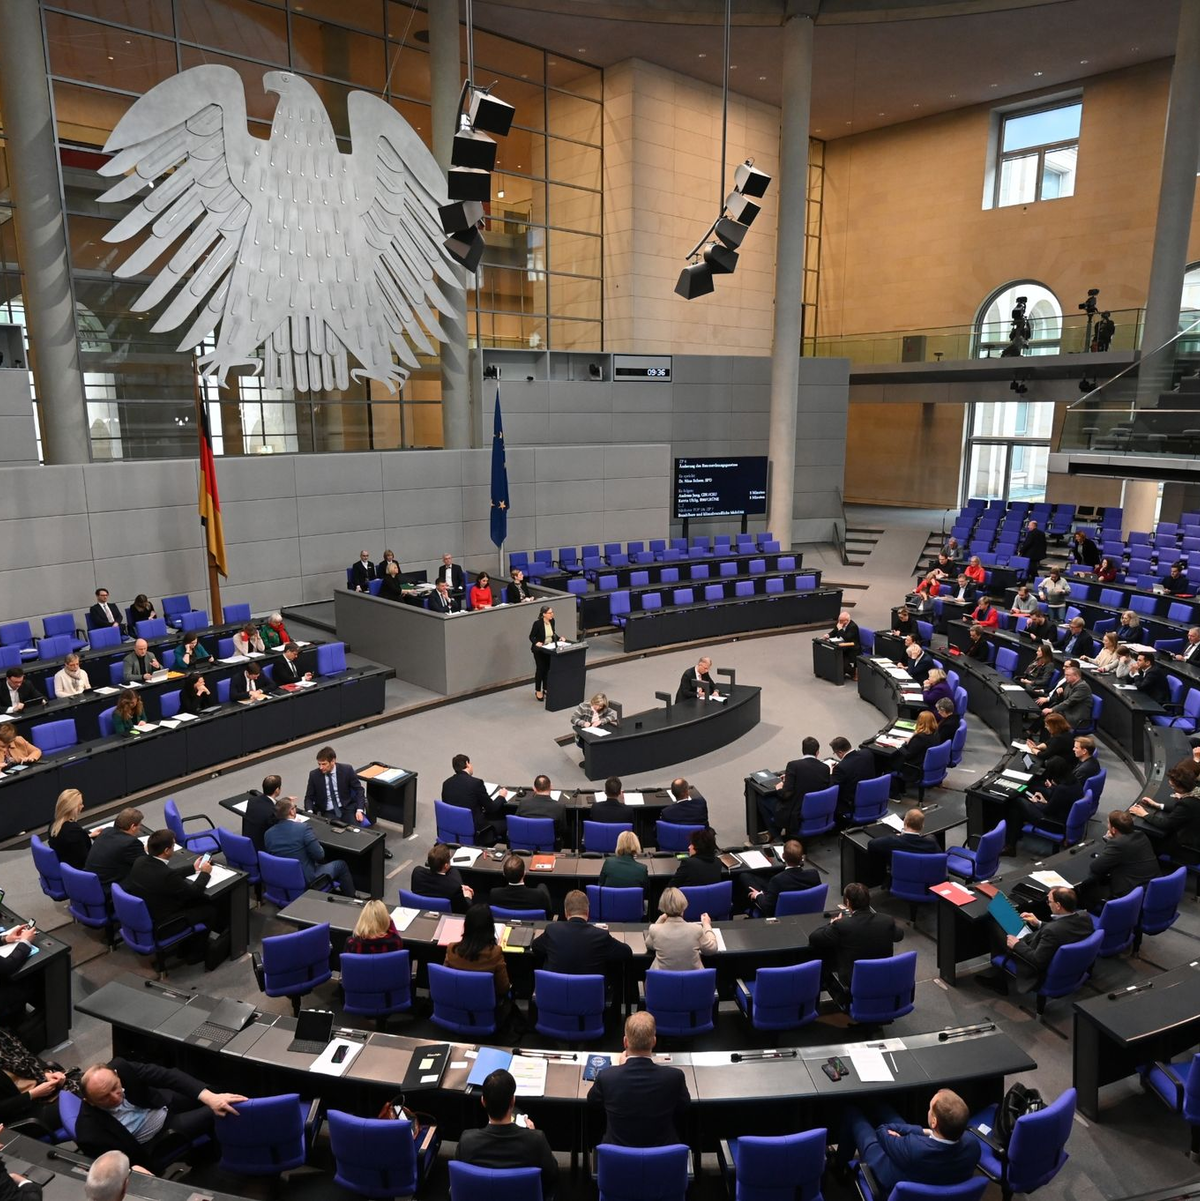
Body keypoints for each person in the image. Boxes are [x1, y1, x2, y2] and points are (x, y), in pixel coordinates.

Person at [75, 1059, 245, 1172]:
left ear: (116, 1074)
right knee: (223, 1108)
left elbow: (167, 1076)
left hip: (161, 1104)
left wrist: (210, 1097)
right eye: (105, 1097)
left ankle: (208, 1152)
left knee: (215, 1092)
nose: (115, 1097)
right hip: (159, 1137)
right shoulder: (88, 1132)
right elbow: (115, 1169)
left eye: (115, 1087)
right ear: (89, 1101)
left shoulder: (122, 1067)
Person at [834, 1089, 980, 1192]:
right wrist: (927, 1132)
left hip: (885, 1171)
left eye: (930, 1109)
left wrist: (908, 1136)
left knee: (852, 1114)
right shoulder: (973, 1146)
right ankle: (871, 1102)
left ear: (934, 1122)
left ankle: (838, 1169)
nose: (928, 1111)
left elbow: (882, 1131)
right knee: (882, 1108)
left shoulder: (913, 1147)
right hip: (924, 1174)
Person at [588, 1012, 690, 1148]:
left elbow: (593, 1102)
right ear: (654, 1041)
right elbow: (684, 1105)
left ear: (625, 1042)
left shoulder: (606, 1077)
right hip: (662, 1157)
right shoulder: (674, 1077)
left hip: (617, 1158)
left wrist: (620, 1069)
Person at [454, 1068, 558, 1190]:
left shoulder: (467, 1141)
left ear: (483, 1102)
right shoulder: (535, 1140)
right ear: (513, 1101)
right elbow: (552, 1175)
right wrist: (532, 1133)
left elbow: (459, 1179)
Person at [980, 886, 1095, 995]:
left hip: (1033, 962)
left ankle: (999, 981)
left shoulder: (1052, 931)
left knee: (993, 923)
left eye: (1049, 901)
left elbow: (1037, 960)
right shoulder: (1084, 916)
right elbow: (1064, 928)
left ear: (1058, 905)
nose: (1048, 904)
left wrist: (1016, 945)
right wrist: (1038, 923)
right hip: (1063, 959)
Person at [123, 830, 218, 960]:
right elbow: (193, 892)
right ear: (167, 850)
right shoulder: (166, 875)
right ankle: (195, 954)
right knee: (209, 910)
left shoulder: (141, 861)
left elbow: (167, 873)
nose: (174, 848)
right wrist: (205, 873)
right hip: (166, 922)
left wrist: (193, 868)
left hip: (149, 911)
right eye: (173, 845)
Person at [1005, 735, 1100, 851]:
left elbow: (1047, 810)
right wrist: (1044, 800)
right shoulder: (1073, 781)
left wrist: (1037, 802)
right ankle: (1011, 843)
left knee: (1017, 801)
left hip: (1054, 823)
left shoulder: (1062, 789)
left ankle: (1011, 844)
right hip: (1061, 815)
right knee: (1018, 807)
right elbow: (1055, 802)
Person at [807, 882, 903, 990]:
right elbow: (899, 935)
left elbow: (814, 938)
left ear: (848, 902)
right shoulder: (887, 920)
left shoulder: (842, 925)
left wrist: (832, 923)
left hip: (854, 981)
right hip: (882, 976)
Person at [263, 796, 355, 895]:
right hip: (306, 879)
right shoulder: (303, 828)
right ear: (292, 812)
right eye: (295, 807)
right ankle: (353, 900)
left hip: (280, 878)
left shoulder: (268, 833)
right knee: (341, 865)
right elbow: (319, 855)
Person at [531, 889, 631, 974]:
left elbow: (535, 946)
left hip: (554, 994)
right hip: (590, 995)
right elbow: (626, 952)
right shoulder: (601, 935)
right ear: (588, 912)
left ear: (566, 912)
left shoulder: (552, 930)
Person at [1131, 764, 1200, 864]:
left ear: (1181, 788)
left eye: (1172, 786)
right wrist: (1157, 805)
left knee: (1144, 838)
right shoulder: (1196, 791)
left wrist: (1144, 814)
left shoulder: (1188, 803)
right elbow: (1181, 810)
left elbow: (1165, 824)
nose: (1171, 787)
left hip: (1189, 846)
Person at [1086, 810, 1159, 903]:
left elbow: (1096, 866)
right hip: (1152, 884)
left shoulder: (1118, 844)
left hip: (1132, 890)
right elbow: (1125, 851)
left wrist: (1110, 840)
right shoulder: (1141, 834)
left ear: (1113, 830)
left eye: (1108, 824)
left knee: (1093, 877)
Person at [444, 903, 510, 1001]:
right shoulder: (495, 952)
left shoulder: (452, 949)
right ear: (490, 927)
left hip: (456, 1003)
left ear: (466, 926)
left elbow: (445, 981)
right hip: (484, 1006)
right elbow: (503, 988)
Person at [645, 886, 717, 970]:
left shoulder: (655, 930)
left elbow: (649, 944)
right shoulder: (696, 929)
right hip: (693, 981)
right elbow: (712, 949)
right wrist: (707, 925)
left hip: (664, 981)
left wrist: (660, 921)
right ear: (684, 906)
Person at [442, 754, 508, 843]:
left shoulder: (446, 783)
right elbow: (492, 808)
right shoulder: (476, 783)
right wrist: (501, 796)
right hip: (476, 829)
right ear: (467, 764)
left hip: (453, 825)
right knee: (507, 822)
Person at [743, 839, 819, 915]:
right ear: (802, 857)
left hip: (780, 916)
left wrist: (758, 895)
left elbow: (767, 907)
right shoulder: (814, 874)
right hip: (807, 911)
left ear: (783, 856)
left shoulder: (777, 880)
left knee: (745, 876)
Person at [773, 736, 830, 837]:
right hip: (818, 809)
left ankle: (775, 837)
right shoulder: (825, 768)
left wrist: (779, 788)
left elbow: (786, 794)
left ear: (803, 750)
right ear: (817, 752)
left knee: (766, 802)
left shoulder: (793, 765)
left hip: (797, 812)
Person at [303, 746, 365, 825]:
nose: (321, 767)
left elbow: (359, 790)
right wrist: (310, 812)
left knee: (356, 832)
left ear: (333, 761)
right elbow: (309, 797)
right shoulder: (314, 775)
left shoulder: (346, 770)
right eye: (319, 764)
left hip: (346, 808)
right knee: (333, 834)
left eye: (324, 764)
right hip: (328, 812)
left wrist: (359, 810)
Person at [85, 808, 145, 885]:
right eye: (140, 825)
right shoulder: (131, 843)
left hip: (91, 880)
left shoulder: (106, 831)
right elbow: (144, 864)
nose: (140, 828)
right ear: (133, 826)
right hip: (107, 886)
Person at [410, 843, 474, 913]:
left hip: (422, 913)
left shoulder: (417, 873)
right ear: (446, 866)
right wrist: (467, 896)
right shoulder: (453, 887)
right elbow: (465, 909)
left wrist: (460, 887)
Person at [867, 808, 940, 868]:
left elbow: (871, 844)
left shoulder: (892, 841)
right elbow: (940, 858)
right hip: (925, 880)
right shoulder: (931, 842)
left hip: (898, 880)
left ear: (905, 822)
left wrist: (896, 837)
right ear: (922, 825)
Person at [1034, 660, 1093, 729]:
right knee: (1048, 715)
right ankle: (1032, 733)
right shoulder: (1069, 684)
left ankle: (1039, 736)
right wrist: (1060, 694)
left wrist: (1052, 709)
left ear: (1076, 676)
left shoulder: (1082, 687)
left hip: (1075, 717)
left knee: (1051, 717)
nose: (1065, 677)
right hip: (1067, 712)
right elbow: (1063, 699)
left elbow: (1069, 702)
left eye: (1067, 675)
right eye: (1065, 675)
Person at [48, 788, 97, 870]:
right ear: (72, 808)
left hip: (66, 869)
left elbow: (72, 844)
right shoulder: (74, 831)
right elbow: (87, 859)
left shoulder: (54, 824)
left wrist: (88, 836)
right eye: (80, 804)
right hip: (81, 873)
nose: (83, 806)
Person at [830, 736, 876, 822]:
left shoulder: (841, 768)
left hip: (851, 803)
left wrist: (832, 772)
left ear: (840, 752)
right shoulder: (867, 753)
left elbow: (833, 787)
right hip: (870, 796)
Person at [895, 711, 939, 796]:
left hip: (914, 767)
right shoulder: (935, 734)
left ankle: (895, 792)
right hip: (925, 763)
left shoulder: (920, 738)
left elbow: (908, 755)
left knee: (891, 760)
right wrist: (911, 739)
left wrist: (898, 746)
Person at [515, 774, 567, 846]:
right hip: (549, 845)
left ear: (534, 789)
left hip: (525, 842)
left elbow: (517, 824)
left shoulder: (523, 803)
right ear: (551, 787)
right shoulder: (559, 807)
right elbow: (562, 830)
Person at [1025, 711, 1073, 781]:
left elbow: (1044, 755)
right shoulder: (1064, 733)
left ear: (1054, 726)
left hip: (1061, 767)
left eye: (1047, 725)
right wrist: (1038, 747)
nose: (1045, 727)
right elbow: (1048, 743)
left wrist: (1032, 749)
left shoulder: (1059, 739)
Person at [243, 776, 283, 852]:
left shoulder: (252, 801)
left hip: (248, 844)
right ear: (277, 790)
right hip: (261, 850)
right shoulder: (273, 812)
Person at [529, 605, 558, 700]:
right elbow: (531, 636)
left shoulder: (552, 621)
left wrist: (559, 637)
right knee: (541, 669)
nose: (552, 614)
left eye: (552, 612)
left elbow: (553, 634)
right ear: (544, 614)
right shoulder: (537, 624)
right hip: (539, 650)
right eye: (550, 613)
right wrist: (536, 642)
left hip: (549, 649)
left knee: (548, 669)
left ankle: (546, 688)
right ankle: (538, 690)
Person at [827, 610, 861, 678]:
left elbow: (847, 638)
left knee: (842, 665)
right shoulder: (840, 622)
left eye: (841, 621)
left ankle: (854, 672)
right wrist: (828, 635)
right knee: (832, 657)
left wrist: (840, 629)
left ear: (847, 620)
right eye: (839, 620)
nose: (839, 622)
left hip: (852, 650)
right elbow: (834, 632)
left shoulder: (853, 626)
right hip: (843, 647)